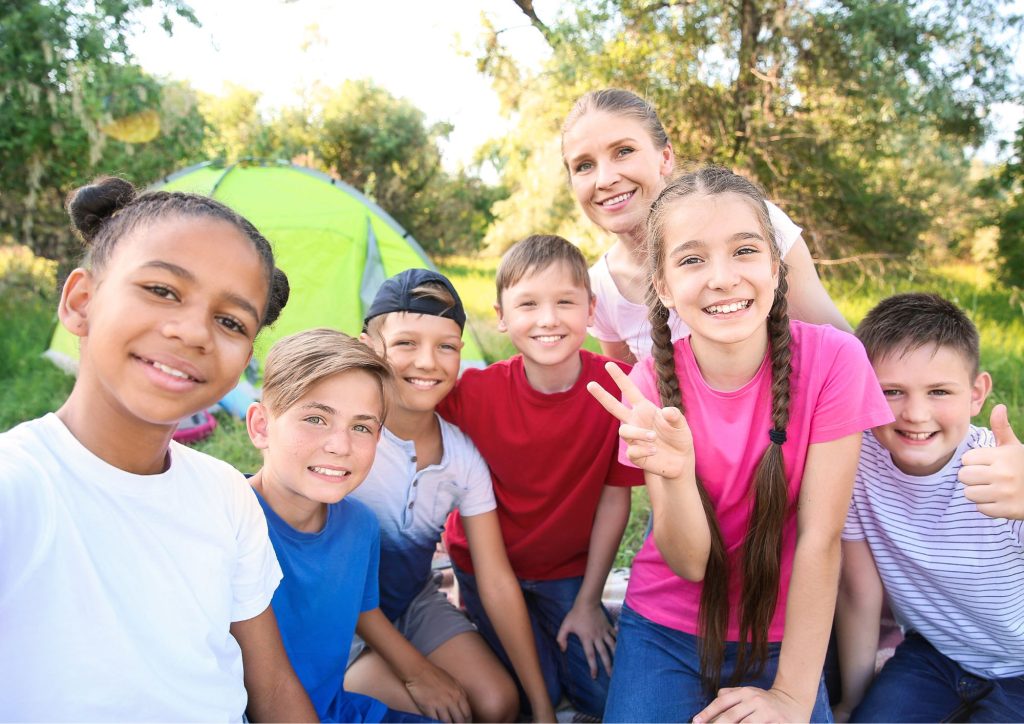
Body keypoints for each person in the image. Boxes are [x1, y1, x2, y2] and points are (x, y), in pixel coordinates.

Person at [0, 177, 316, 720]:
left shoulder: (225, 493)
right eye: (162, 290)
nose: (195, 332)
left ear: (245, 362)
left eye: (230, 321)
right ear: (81, 302)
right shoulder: (19, 487)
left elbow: (272, 684)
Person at [587, 166, 893, 723]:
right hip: (667, 628)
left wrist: (793, 698)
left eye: (744, 251)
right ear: (663, 285)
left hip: (785, 633)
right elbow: (687, 563)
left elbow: (821, 540)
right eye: (692, 259)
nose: (722, 279)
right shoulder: (650, 388)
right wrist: (677, 475)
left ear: (777, 268)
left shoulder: (834, 362)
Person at [437, 236, 645, 720]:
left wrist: (589, 602)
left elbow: (616, 501)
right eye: (528, 304)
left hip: (568, 571)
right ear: (502, 316)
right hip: (486, 567)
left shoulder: (616, 389)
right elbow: (407, 408)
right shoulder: (475, 392)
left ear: (591, 310)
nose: (548, 319)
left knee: (601, 697)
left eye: (565, 302)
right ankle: (467, 617)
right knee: (541, 693)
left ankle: (592, 616)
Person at [348, 268, 555, 723]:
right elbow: (328, 576)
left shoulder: (461, 456)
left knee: (498, 704)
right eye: (405, 343)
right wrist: (416, 670)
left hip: (411, 602)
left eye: (445, 346)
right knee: (432, 714)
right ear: (368, 348)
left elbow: (496, 580)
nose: (427, 362)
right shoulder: (347, 444)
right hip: (337, 617)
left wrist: (541, 710)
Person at [833, 293, 1024, 723]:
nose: (915, 414)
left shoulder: (1005, 473)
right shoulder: (857, 464)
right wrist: (853, 701)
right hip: (934, 655)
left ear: (977, 395)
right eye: (892, 391)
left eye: (939, 391)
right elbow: (859, 593)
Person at [246, 328, 449, 723]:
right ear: (261, 426)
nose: (340, 445)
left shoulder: (360, 527)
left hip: (336, 710)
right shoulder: (228, 520)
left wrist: (418, 673)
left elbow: (362, 609)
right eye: (315, 418)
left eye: (361, 427)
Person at [561, 87, 851, 363]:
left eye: (623, 151)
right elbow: (634, 395)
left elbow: (846, 351)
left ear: (664, 158)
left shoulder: (752, 225)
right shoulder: (601, 286)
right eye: (584, 166)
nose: (605, 179)